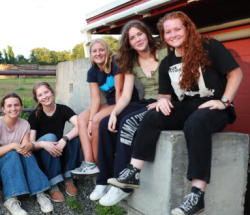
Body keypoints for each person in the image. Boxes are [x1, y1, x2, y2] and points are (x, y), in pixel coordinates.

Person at [111, 11, 243, 215]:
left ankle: (197, 196)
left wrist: (224, 101)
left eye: (177, 29)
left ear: (187, 29)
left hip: (215, 106)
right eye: (168, 32)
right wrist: (162, 102)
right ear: (163, 36)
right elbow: (164, 94)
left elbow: (235, 73)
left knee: (196, 123)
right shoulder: (167, 62)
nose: (172, 35)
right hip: (187, 106)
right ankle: (133, 172)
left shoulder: (210, 47)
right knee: (153, 114)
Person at [90, 20, 168, 206]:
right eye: (132, 38)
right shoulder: (132, 61)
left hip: (166, 101)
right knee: (105, 122)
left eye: (139, 34)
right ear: (129, 43)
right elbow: (125, 95)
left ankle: (121, 185)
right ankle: (104, 179)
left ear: (147, 34)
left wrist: (164, 99)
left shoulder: (165, 52)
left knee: (128, 123)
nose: (137, 39)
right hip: (145, 101)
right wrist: (115, 112)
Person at [71, 38, 139, 178]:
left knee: (96, 120)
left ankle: (100, 165)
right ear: (90, 54)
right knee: (82, 118)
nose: (98, 53)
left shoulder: (115, 63)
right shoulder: (92, 71)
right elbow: (96, 99)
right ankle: (89, 163)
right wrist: (89, 122)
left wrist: (115, 114)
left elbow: (120, 92)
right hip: (110, 103)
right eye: (94, 51)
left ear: (107, 51)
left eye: (101, 50)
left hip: (125, 103)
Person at [0, 93, 53, 215]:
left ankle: (40, 193)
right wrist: (13, 145)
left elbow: (24, 150)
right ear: (3, 109)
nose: (13, 108)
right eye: (9, 106)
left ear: (21, 107)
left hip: (15, 166)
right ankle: (11, 199)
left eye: (16, 105)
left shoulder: (24, 124)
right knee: (12, 153)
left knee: (27, 153)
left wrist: (25, 147)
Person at [28, 81, 81, 202]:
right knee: (51, 137)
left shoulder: (63, 109)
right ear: (37, 99)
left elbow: (81, 125)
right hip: (43, 156)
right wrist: (44, 144)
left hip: (58, 151)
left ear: (52, 92)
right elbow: (31, 143)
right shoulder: (34, 115)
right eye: (40, 95)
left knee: (76, 137)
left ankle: (68, 177)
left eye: (46, 92)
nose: (44, 96)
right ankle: (53, 182)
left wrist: (65, 138)